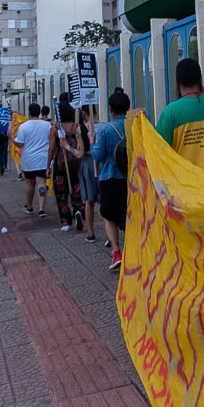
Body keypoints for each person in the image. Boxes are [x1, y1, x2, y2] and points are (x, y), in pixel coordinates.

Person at [91, 87, 129, 271]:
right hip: (130, 179)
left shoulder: (105, 130)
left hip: (109, 178)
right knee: (128, 215)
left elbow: (97, 156)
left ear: (111, 109)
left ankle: (116, 252)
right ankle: (133, 250)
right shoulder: (135, 126)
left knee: (108, 215)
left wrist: (91, 143)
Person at [48, 102, 85, 232]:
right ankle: (79, 211)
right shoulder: (76, 127)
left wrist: (48, 167)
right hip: (75, 163)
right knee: (77, 190)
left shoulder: (55, 129)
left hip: (60, 165)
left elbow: (51, 149)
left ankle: (66, 222)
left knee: (61, 195)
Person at [14, 103, 52, 217]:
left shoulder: (23, 126)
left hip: (28, 160)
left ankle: (29, 206)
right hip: (43, 159)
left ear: (29, 112)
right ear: (39, 112)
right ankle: (41, 209)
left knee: (30, 184)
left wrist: (11, 138)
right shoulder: (47, 125)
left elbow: (20, 144)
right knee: (41, 183)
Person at [78, 104, 99, 242]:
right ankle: (110, 233)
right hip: (100, 162)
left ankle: (91, 232)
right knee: (103, 198)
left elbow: (79, 153)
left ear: (84, 113)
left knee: (89, 200)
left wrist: (66, 146)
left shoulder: (80, 129)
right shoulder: (101, 125)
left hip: (87, 163)